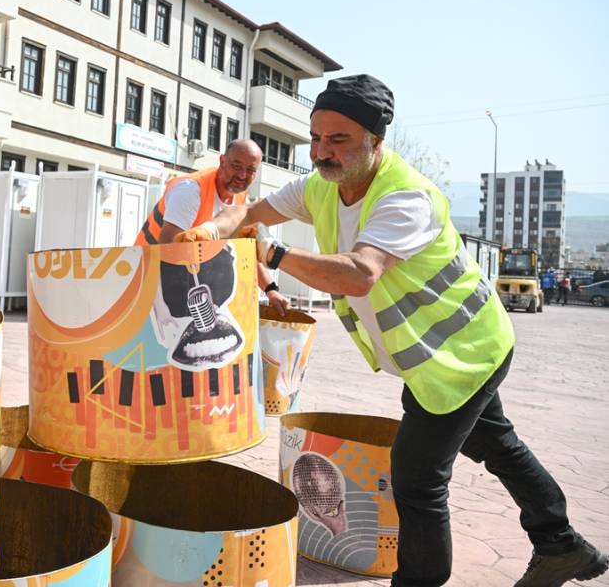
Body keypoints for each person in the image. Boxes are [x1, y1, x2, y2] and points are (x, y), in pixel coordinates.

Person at [176, 74, 606, 587]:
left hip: (464, 353)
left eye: (339, 141)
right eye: (316, 139)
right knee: (498, 444)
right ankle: (562, 545)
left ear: (376, 141)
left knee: (418, 478)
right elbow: (249, 210)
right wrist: (212, 230)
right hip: (438, 359)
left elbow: (359, 274)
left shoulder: (406, 198)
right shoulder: (322, 187)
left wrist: (269, 252)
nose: (321, 153)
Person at [137, 138, 290, 315]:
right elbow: (168, 253)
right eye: (236, 166)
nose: (242, 175)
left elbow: (247, 253)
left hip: (193, 289)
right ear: (222, 161)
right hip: (149, 283)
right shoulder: (190, 191)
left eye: (250, 170)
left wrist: (271, 290)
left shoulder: (240, 199)